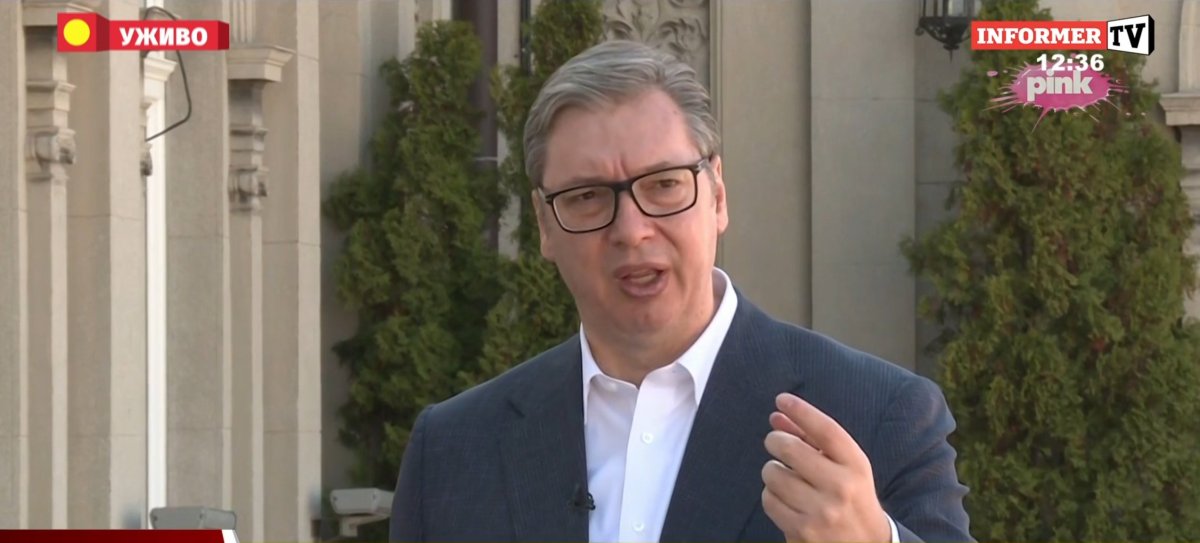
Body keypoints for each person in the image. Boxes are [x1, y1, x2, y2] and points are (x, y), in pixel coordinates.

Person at [389, 39, 973, 543]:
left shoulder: (878, 415)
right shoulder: (453, 449)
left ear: (717, 195)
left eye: (664, 185)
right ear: (544, 224)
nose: (631, 230)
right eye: (587, 197)